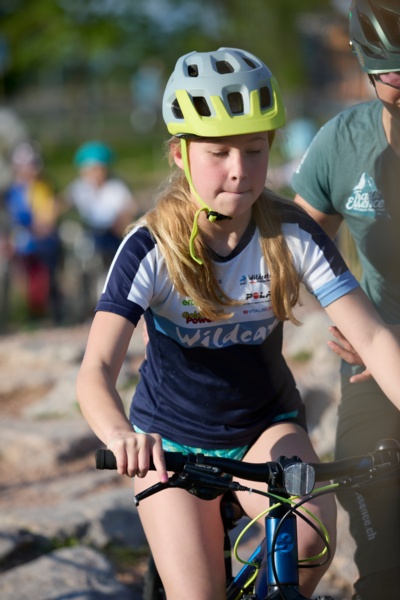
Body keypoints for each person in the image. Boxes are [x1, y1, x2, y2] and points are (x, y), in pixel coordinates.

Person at [76, 47, 400, 600]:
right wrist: (119, 435)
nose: (239, 170)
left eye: (254, 150)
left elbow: (371, 336)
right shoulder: (149, 246)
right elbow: (96, 370)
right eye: (219, 152)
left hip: (265, 427)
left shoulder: (293, 233)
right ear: (180, 154)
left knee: (308, 542)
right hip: (171, 441)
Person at [291, 2, 400, 599]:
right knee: (383, 571)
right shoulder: (344, 140)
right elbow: (297, 244)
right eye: (391, 70)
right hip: (372, 374)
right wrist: (345, 311)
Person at [3, 140, 62, 322]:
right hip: (19, 240)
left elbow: (45, 221)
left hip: (39, 242)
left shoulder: (42, 187)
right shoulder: (10, 191)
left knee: (44, 272)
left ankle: (45, 310)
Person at [63, 140, 138, 268]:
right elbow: (62, 203)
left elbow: (131, 207)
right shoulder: (79, 187)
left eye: (100, 169)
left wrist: (123, 219)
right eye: (93, 169)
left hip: (111, 233)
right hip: (88, 232)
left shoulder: (116, 187)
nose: (97, 173)